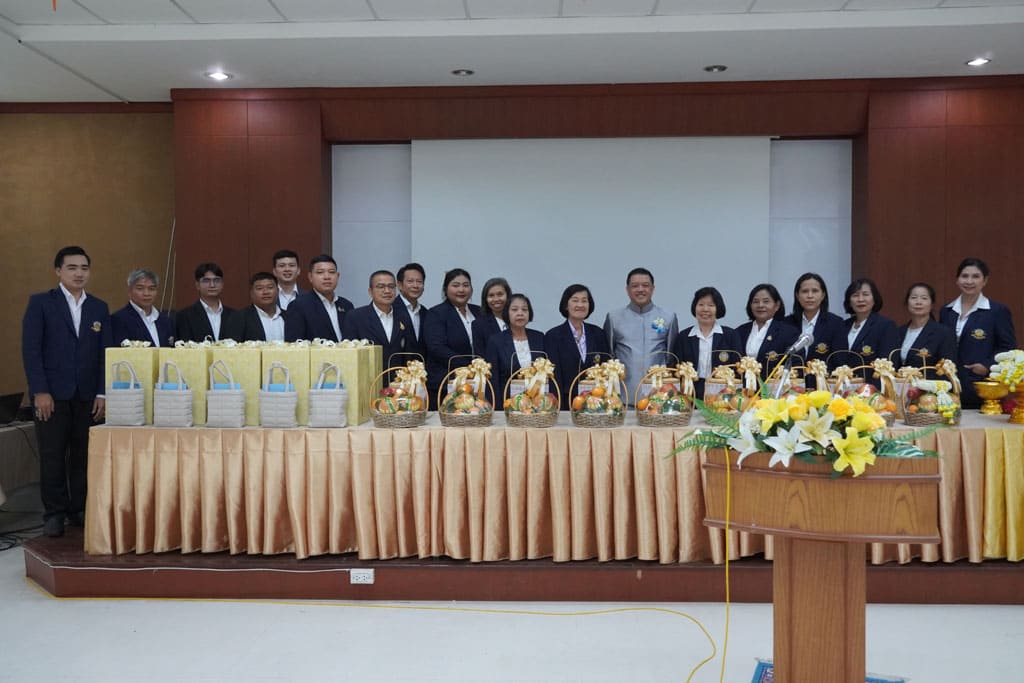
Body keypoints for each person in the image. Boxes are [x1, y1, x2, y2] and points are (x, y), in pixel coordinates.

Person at [21, 246, 111, 537]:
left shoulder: (99, 307)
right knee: (52, 456)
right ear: (58, 271)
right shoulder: (41, 303)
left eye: (84, 268)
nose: (79, 273)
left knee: (84, 455)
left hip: (87, 396)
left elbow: (105, 355)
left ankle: (79, 509)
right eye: (72, 268)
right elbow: (31, 351)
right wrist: (40, 391)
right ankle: (54, 513)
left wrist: (102, 393)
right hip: (52, 395)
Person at [939, 257, 1016, 408]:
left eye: (975, 276)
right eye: (964, 276)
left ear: (984, 281)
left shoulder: (997, 311)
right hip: (948, 388)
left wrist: (987, 365)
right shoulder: (946, 311)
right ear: (957, 280)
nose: (969, 281)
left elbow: (1008, 348)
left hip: (981, 388)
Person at [603, 268, 678, 403]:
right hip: (623, 396)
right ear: (627, 290)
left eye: (645, 285)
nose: (640, 289)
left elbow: (671, 357)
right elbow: (609, 355)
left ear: (653, 289)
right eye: (635, 286)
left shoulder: (668, 317)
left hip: (658, 397)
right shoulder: (614, 318)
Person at [544, 284, 611, 410]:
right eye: (575, 300)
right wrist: (557, 406)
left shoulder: (598, 334)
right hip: (565, 403)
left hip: (596, 403)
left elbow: (606, 369)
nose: (580, 305)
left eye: (584, 301)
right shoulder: (553, 336)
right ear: (566, 305)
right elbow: (554, 377)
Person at [423, 268, 482, 409]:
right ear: (446, 289)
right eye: (455, 285)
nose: (461, 290)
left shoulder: (480, 312)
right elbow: (437, 347)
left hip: (477, 383)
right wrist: (469, 367)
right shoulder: (436, 313)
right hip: (445, 383)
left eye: (466, 285)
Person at [672, 286, 740, 400]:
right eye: (701, 304)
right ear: (695, 307)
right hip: (690, 392)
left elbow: (737, 367)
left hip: (722, 392)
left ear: (718, 308)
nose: (705, 309)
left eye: (711, 305)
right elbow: (675, 367)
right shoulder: (683, 337)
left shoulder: (730, 335)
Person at [342, 270, 418, 371]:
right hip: (368, 377)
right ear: (370, 291)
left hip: (398, 378)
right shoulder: (355, 317)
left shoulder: (404, 317)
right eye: (381, 287)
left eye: (391, 286)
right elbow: (349, 354)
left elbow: (410, 354)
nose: (387, 291)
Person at [784, 272, 847, 375]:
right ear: (797, 296)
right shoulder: (786, 323)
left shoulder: (836, 324)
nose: (810, 296)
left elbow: (839, 362)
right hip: (792, 382)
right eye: (805, 291)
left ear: (823, 295)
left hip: (823, 382)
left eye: (815, 291)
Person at [485, 293, 546, 400]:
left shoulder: (539, 337)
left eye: (524, 309)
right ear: (506, 313)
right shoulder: (496, 341)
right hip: (507, 401)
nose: (520, 313)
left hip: (537, 401)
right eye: (514, 310)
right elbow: (493, 379)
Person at [842, 277, 899, 387]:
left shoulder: (885, 325)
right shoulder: (843, 325)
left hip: (871, 389)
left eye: (865, 294)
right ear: (849, 301)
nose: (860, 299)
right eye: (855, 295)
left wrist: (870, 390)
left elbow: (887, 365)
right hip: (843, 387)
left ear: (874, 298)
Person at [736, 284, 799, 380]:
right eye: (755, 301)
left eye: (766, 301)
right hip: (742, 388)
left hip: (773, 387)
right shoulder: (739, 331)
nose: (760, 305)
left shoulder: (789, 333)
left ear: (777, 305)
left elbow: (795, 366)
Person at [284, 254, 354, 342]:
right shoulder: (298, 306)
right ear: (310, 277)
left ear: (338, 276)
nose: (327, 277)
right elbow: (294, 344)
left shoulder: (346, 305)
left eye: (331, 272)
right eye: (320, 272)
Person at [897, 282, 957, 372]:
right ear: (907, 302)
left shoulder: (943, 333)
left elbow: (947, 370)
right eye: (914, 297)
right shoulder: (899, 332)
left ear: (932, 304)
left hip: (928, 381)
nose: (918, 302)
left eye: (924, 298)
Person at [110, 268, 174, 347]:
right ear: (129, 291)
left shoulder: (166, 321)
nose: (146, 293)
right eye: (140, 288)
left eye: (151, 289)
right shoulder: (118, 319)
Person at [175, 263, 234, 342]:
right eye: (206, 281)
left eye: (217, 280)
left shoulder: (234, 316)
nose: (212, 285)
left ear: (222, 284)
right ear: (197, 285)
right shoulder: (184, 316)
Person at [222, 272, 285, 342]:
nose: (265, 292)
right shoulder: (239, 318)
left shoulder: (289, 316)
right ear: (251, 293)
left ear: (278, 291)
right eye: (259, 288)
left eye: (270, 287)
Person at [471, 277, 511, 358]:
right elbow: (479, 358)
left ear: (508, 295)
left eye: (500, 294)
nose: (496, 299)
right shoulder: (479, 325)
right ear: (485, 299)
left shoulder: (517, 319)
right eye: (491, 295)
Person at [396, 262, 429, 360]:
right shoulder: (390, 309)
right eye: (410, 281)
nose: (415, 285)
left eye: (419, 281)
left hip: (421, 367)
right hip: (396, 367)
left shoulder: (426, 313)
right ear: (400, 285)